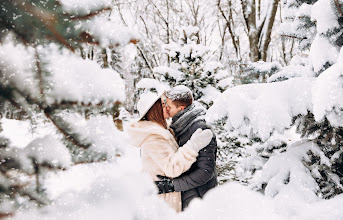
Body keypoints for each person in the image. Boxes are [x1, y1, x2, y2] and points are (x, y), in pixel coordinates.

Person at [127, 92, 213, 212]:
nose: (167, 107)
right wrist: (192, 146)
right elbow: (171, 168)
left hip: (167, 196)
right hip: (163, 199)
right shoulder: (153, 137)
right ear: (155, 110)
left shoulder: (163, 131)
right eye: (163, 104)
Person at [155, 85, 218, 211]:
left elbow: (206, 172)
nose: (166, 109)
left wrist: (172, 185)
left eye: (169, 106)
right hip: (187, 195)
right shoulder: (181, 125)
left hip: (199, 198)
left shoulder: (200, 129)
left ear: (181, 108)